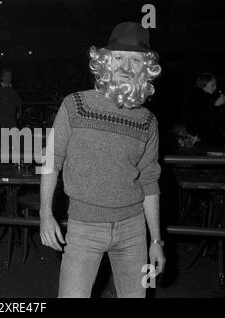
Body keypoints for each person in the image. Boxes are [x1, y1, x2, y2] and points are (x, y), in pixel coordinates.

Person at [39, 22, 165, 298]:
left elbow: (149, 181)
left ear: (145, 68)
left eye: (135, 60)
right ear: (106, 61)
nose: (126, 66)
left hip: (133, 230)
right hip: (84, 227)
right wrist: (45, 213)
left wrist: (155, 240)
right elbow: (51, 159)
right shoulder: (76, 105)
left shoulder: (147, 121)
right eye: (119, 57)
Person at [183, 72, 225, 146]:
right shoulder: (196, 99)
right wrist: (216, 106)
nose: (215, 87)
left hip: (205, 139)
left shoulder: (207, 97)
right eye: (212, 85)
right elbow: (204, 122)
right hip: (200, 141)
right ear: (203, 84)